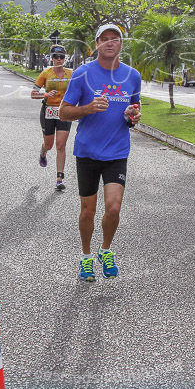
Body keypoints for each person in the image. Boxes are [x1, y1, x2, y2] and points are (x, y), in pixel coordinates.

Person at [59, 23, 141, 282]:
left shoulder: (132, 76)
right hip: (87, 151)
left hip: (117, 151)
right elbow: (64, 111)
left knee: (114, 208)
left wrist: (133, 117)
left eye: (114, 39)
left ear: (120, 44)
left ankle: (105, 250)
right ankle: (85, 258)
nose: (109, 43)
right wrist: (87, 108)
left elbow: (134, 110)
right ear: (96, 44)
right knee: (87, 211)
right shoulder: (83, 74)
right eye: (104, 39)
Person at [33, 45, 74, 191]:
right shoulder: (46, 73)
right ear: (52, 58)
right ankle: (43, 152)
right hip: (48, 112)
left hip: (64, 112)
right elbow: (33, 93)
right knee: (49, 145)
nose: (59, 59)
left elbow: (79, 90)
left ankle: (59, 179)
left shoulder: (71, 74)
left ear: (65, 58)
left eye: (61, 57)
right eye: (56, 57)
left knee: (61, 146)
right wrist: (45, 94)